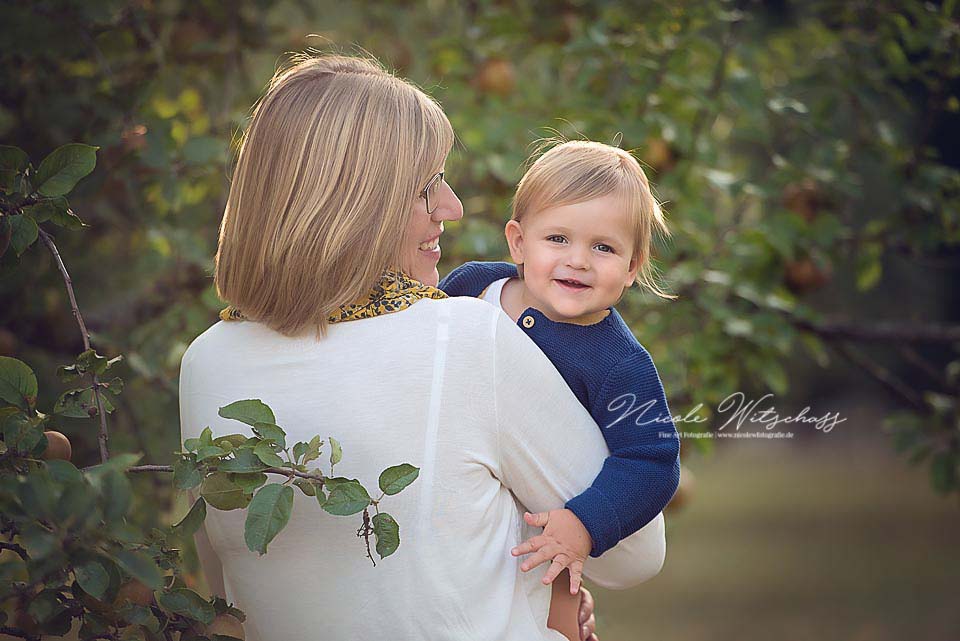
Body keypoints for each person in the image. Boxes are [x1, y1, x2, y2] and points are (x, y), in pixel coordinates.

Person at [179, 54, 666, 641]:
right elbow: (636, 554)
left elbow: (229, 595)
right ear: (352, 202)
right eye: (425, 188)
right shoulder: (461, 337)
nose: (453, 208)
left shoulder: (206, 360)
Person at [439, 140, 681, 637]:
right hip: (467, 496)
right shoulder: (471, 288)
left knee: (555, 607)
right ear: (518, 242)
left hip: (550, 526)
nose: (579, 261)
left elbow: (652, 462)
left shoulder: (619, 362)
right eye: (557, 239)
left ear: (633, 266)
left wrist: (584, 524)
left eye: (604, 247)